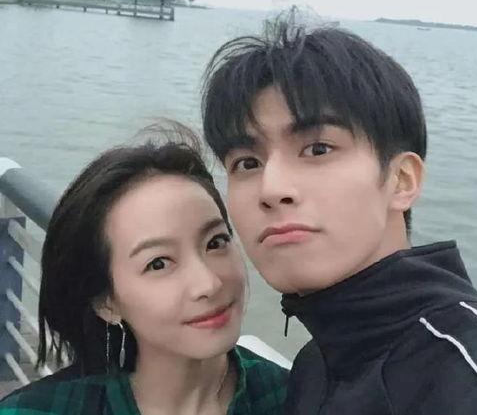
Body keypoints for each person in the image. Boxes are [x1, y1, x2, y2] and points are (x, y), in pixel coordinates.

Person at [201, 15, 477, 414]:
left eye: (318, 149)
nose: (271, 189)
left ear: (402, 180)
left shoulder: (470, 377)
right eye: (247, 163)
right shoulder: (315, 365)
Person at [0, 125, 288, 415]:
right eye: (158, 263)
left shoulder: (294, 398)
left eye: (215, 242)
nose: (208, 284)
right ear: (106, 301)